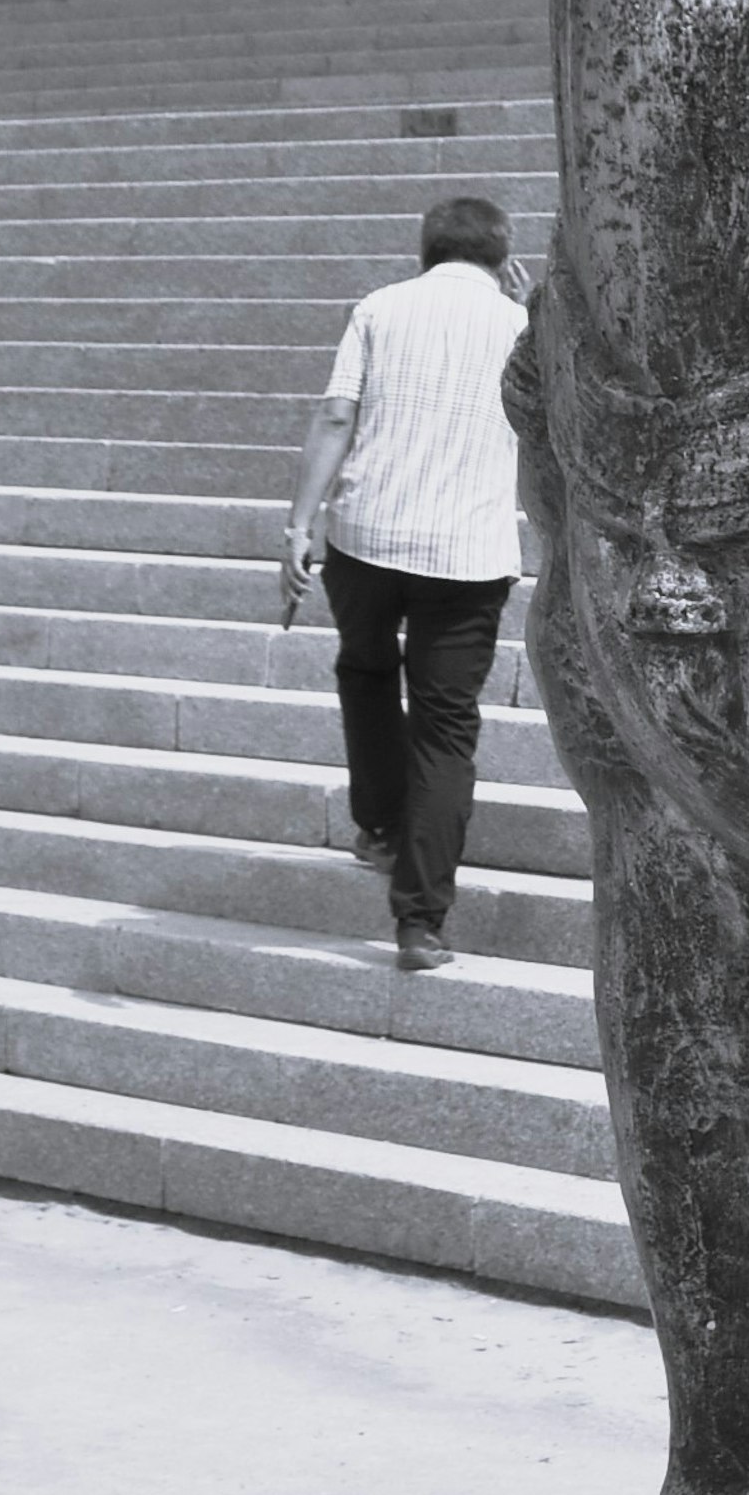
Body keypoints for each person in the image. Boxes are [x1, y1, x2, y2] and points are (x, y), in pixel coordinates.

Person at [280, 190, 531, 975]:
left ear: (425, 249)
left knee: (363, 666)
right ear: (502, 257)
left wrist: (298, 525)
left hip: (366, 535)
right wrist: (531, 318)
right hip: (467, 552)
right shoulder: (523, 330)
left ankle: (379, 823)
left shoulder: (381, 308)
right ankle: (421, 924)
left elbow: (333, 416)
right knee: (446, 724)